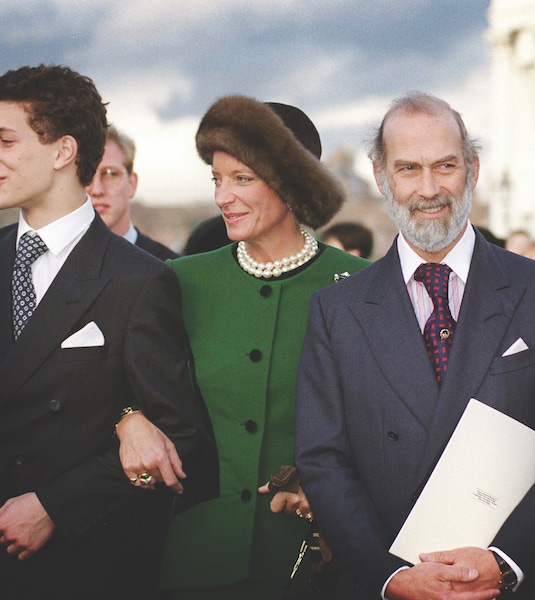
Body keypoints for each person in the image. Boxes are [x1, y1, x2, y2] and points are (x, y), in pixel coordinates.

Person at [294, 91, 535, 600]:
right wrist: (391, 575)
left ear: (473, 169)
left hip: (512, 585)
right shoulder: (336, 311)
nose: (429, 188)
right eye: (409, 169)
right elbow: (323, 459)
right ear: (380, 177)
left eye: (445, 166)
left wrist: (505, 560)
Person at [116, 97, 370, 599]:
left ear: (295, 181)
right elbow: (117, 380)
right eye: (217, 179)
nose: (223, 196)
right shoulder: (178, 281)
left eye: (242, 178)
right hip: (192, 560)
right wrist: (127, 417)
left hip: (315, 564)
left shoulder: (360, 286)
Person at [0, 64, 213, 598]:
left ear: (63, 151)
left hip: (77, 565)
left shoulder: (140, 280)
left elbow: (181, 437)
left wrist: (56, 505)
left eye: (5, 140)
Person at [87, 125, 180, 260]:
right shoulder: (57, 265)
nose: (97, 190)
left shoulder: (170, 268)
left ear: (132, 183)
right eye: (86, 174)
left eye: (110, 174)